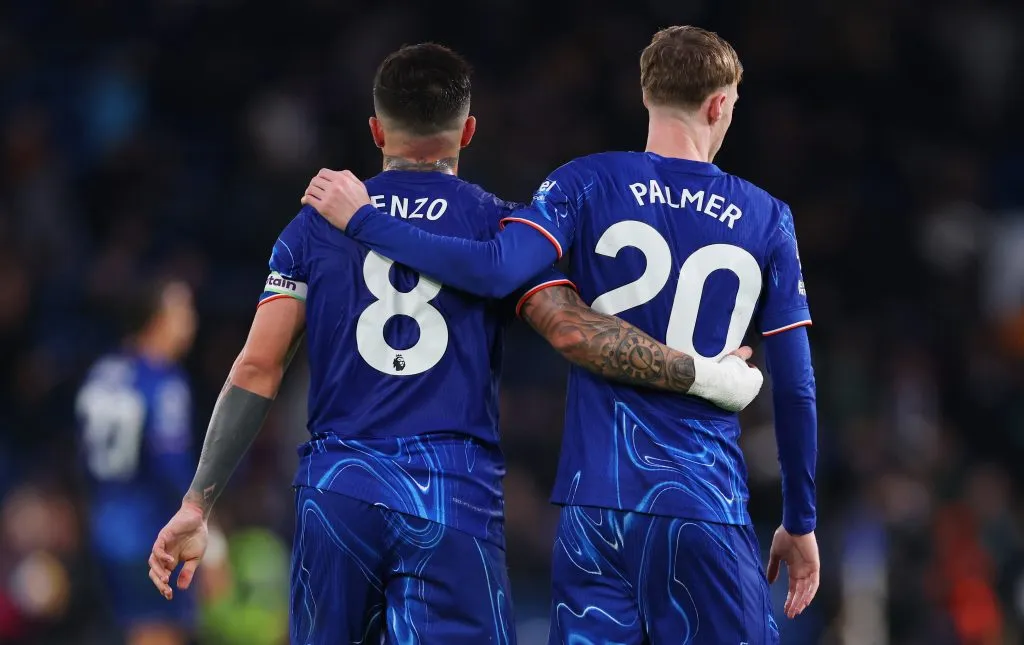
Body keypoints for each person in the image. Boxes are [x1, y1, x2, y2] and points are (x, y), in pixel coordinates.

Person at [146, 43, 762, 645]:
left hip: (337, 495)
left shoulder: (315, 224)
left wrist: (197, 504)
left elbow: (257, 367)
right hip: (450, 501)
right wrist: (702, 373)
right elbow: (573, 331)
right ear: (468, 131)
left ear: (376, 130)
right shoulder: (498, 225)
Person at [303, 26, 820, 645]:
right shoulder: (767, 216)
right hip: (704, 499)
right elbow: (796, 387)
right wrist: (799, 519)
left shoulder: (585, 182)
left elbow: (495, 268)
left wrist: (366, 221)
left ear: (646, 94)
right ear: (719, 105)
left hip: (595, 511)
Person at [78, 280, 224, 645]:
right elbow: (172, 466)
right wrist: (211, 534)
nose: (191, 322)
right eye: (182, 311)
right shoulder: (165, 382)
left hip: (103, 524)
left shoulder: (102, 371)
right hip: (150, 529)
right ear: (156, 318)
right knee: (158, 632)